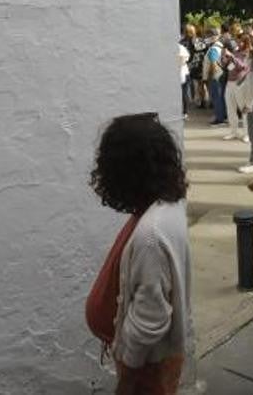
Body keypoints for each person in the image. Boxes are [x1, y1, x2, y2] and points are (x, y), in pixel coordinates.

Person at [87, 113, 192, 395]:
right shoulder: (165, 205)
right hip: (151, 362)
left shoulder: (151, 236)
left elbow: (151, 318)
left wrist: (128, 380)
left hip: (147, 368)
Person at [222, 40, 253, 143]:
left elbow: (243, 66)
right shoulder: (234, 53)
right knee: (230, 108)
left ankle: (247, 134)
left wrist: (232, 57)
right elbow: (227, 67)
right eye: (238, 41)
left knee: (243, 108)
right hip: (230, 83)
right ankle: (233, 131)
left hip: (240, 84)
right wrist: (224, 58)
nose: (239, 43)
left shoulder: (248, 54)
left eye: (241, 41)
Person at [205, 38, 228, 126]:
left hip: (216, 76)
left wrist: (212, 75)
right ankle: (223, 116)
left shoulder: (213, 49)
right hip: (223, 74)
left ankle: (219, 119)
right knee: (221, 96)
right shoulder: (221, 48)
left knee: (217, 97)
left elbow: (213, 63)